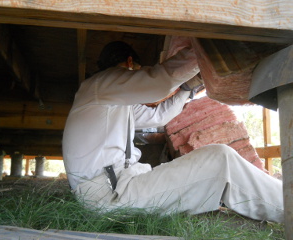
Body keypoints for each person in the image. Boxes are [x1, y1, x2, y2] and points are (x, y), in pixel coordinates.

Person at [62, 41, 283, 223]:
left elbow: (158, 116)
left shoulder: (106, 99)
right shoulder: (101, 84)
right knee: (220, 160)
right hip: (108, 196)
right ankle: (287, 207)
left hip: (111, 190)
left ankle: (280, 195)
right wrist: (205, 50)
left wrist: (187, 90)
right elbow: (159, 82)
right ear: (130, 63)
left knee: (216, 162)